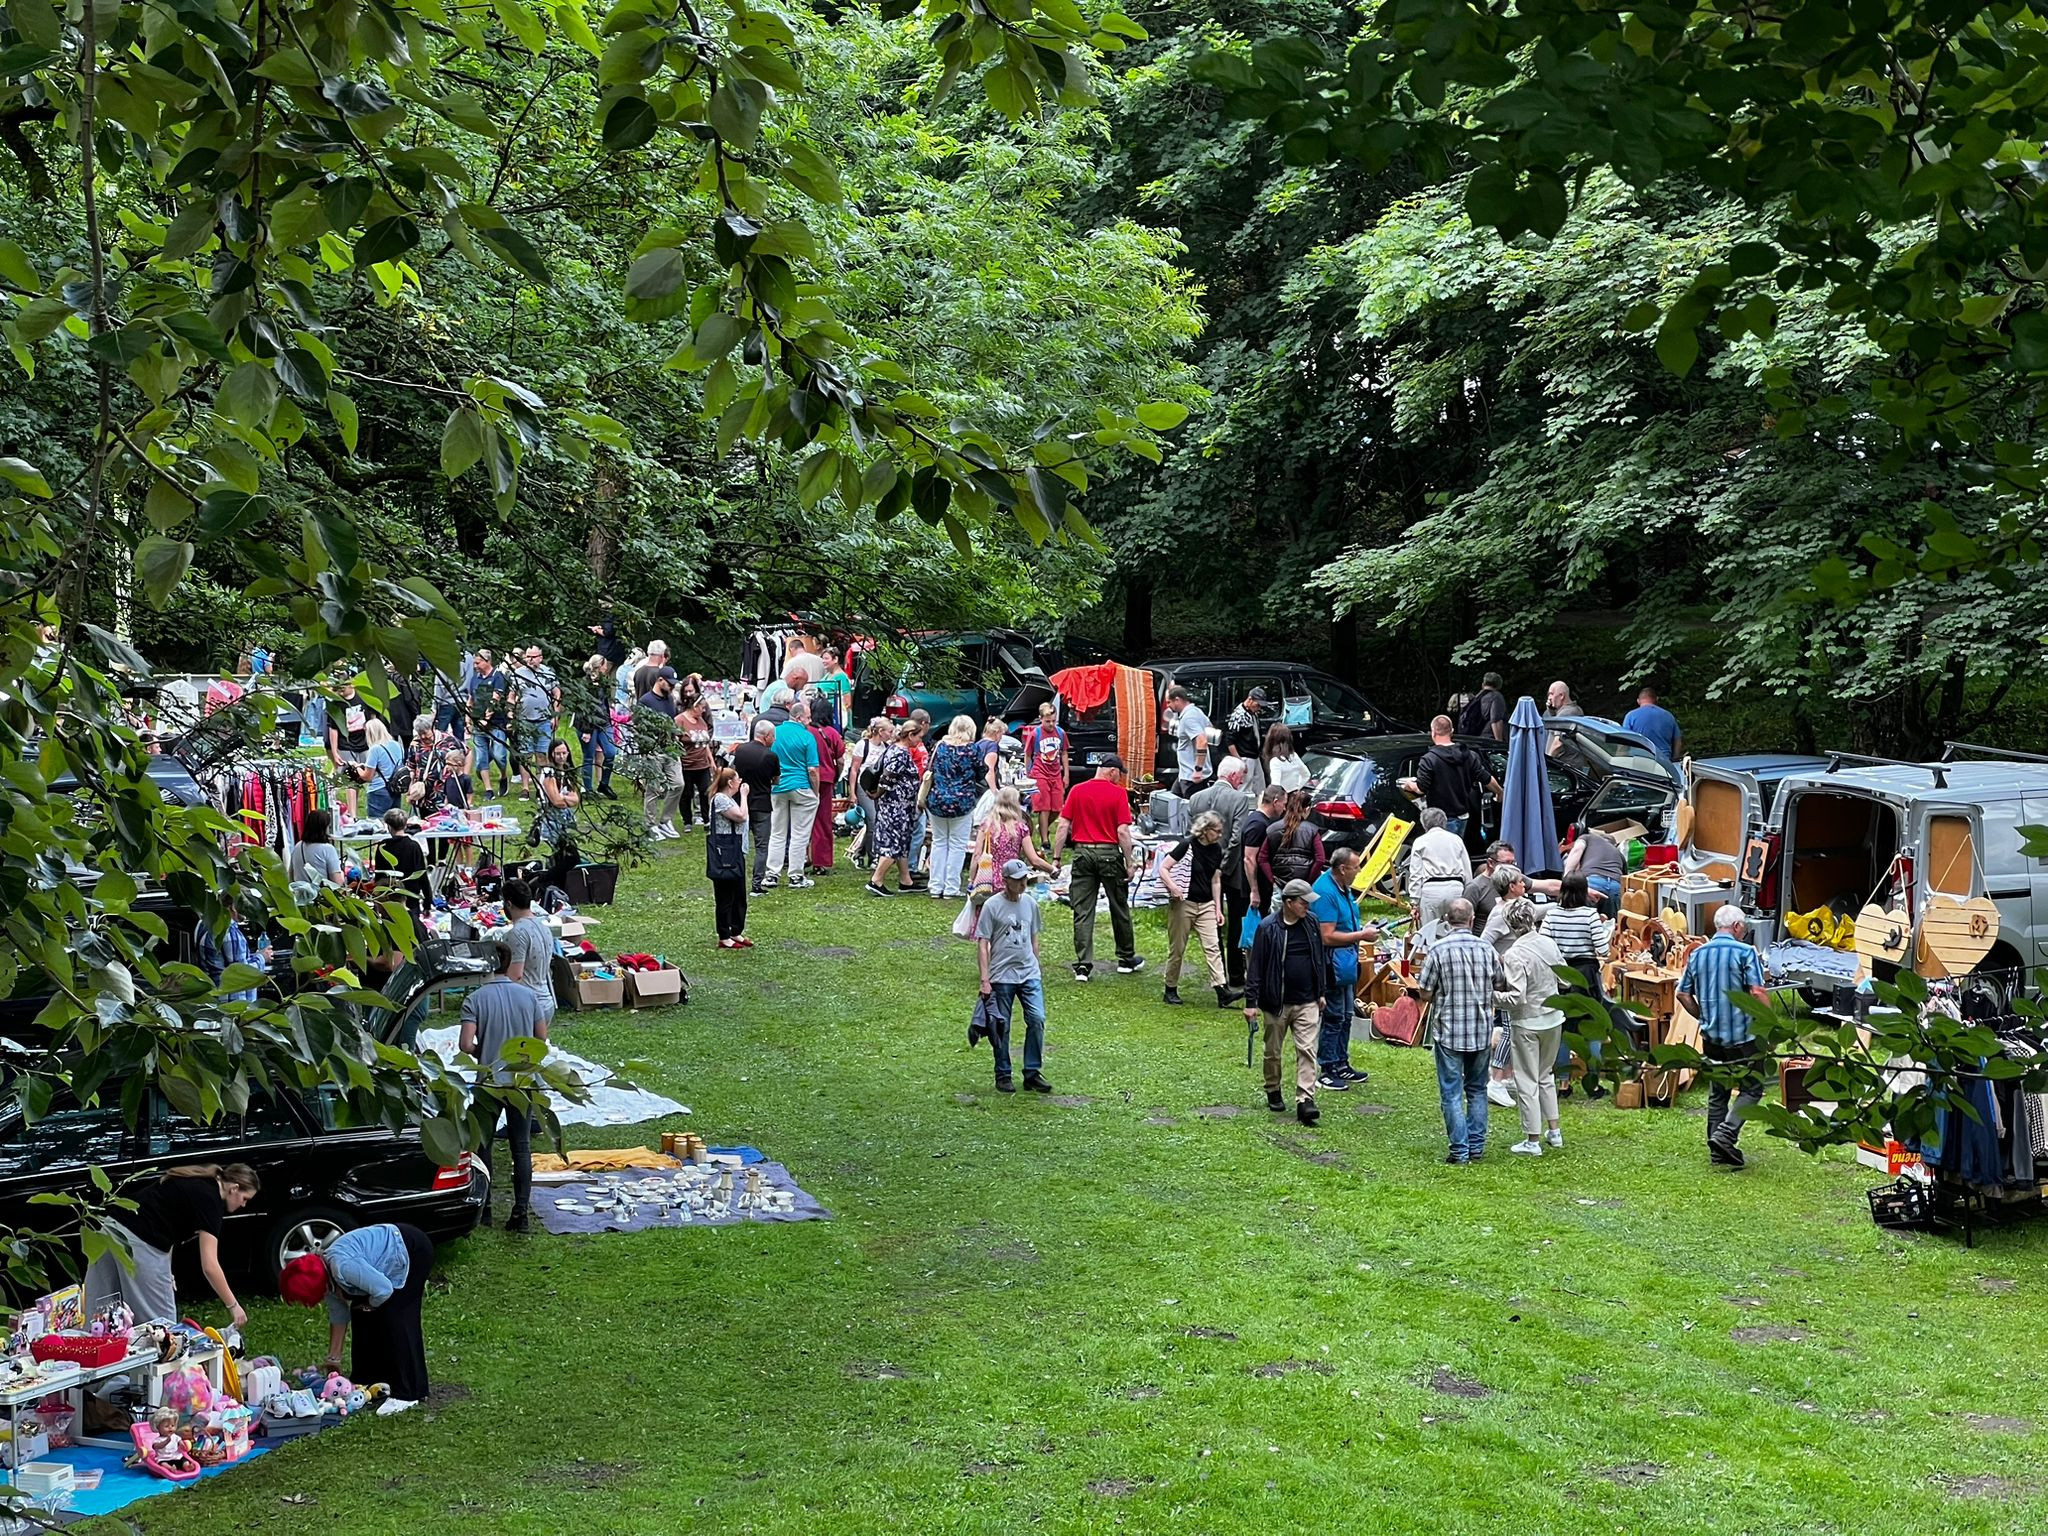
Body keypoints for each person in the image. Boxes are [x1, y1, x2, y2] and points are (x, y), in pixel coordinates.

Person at [279, 1221, 434, 1415]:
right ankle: (368, 1379)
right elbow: (339, 1314)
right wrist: (333, 1357)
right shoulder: (323, 1273)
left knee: (397, 1316)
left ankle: (409, 1393)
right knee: (361, 1312)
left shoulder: (342, 1266)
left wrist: (372, 1304)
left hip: (411, 1250)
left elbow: (383, 1289)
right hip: (386, 1266)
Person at [83, 1163, 259, 1326]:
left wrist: (167, 1271)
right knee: (161, 1325)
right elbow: (210, 1266)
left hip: (109, 1228)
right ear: (234, 1188)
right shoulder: (210, 1200)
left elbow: (167, 1222)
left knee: (100, 1312)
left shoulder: (198, 1180)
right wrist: (233, 1305)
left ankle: (87, 1355)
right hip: (140, 1241)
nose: (244, 1205)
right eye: (245, 1198)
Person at [458, 941, 549, 1231]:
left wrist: (482, 1049)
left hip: (489, 1083)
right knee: (521, 1149)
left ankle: (483, 1208)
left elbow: (465, 1044)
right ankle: (520, 1213)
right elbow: (541, 1040)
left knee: (482, 1145)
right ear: (510, 964)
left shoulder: (475, 999)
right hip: (522, 1083)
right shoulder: (529, 996)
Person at [1412, 898, 1507, 1164]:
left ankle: (1459, 1150)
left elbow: (1425, 991)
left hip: (1449, 1031)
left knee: (1452, 1093)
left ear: (1446, 919)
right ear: (1471, 917)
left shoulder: (1438, 950)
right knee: (1477, 1089)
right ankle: (1475, 1147)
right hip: (1480, 1029)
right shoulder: (1486, 949)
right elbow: (1500, 983)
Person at [1679, 905, 1772, 1168]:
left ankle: (1718, 1150)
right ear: (1738, 927)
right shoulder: (1745, 952)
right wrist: (1770, 1023)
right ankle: (1726, 1134)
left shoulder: (1697, 954)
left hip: (1712, 1038)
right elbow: (1756, 991)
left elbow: (1683, 994)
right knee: (1752, 1088)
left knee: (1718, 1091)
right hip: (1742, 1037)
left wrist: (1703, 1017)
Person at [1050, 756, 1145, 982]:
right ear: (1111, 771)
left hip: (1082, 853)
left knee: (1083, 909)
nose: (1120, 777)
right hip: (1109, 854)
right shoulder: (1118, 794)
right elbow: (1122, 831)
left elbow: (1063, 825)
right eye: (1119, 773)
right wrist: (1129, 862)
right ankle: (1125, 957)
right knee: (1118, 905)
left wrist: (1056, 857)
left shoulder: (1077, 791)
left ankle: (1083, 965)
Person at [1244, 878, 1326, 1126]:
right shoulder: (1268, 928)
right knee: (1273, 1052)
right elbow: (1255, 966)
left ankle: (1305, 1100)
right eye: (1304, 903)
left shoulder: (1311, 923)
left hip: (1307, 1000)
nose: (1308, 908)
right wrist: (1251, 1002)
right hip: (1276, 1003)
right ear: (1289, 903)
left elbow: (1319, 958)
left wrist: (1320, 992)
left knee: (1307, 1050)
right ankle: (1273, 1088)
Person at [1498, 898, 1567, 1157]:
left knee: (1527, 1080)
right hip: (1553, 1017)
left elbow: (1516, 997)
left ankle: (1532, 1140)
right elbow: (1565, 978)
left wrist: (1491, 997)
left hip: (1527, 1021)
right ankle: (1555, 1131)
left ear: (1510, 925)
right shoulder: (1548, 943)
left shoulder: (1515, 953)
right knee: (1545, 1075)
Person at [977, 859, 1052, 1094]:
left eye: (1024, 879)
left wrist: (1037, 968)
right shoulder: (992, 906)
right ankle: (1003, 1073)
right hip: (1002, 975)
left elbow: (1034, 938)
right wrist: (985, 980)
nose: (1023, 883)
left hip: (1028, 973)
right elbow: (982, 943)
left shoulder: (1030, 904)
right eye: (1018, 880)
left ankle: (1032, 1072)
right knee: (1002, 1026)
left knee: (1037, 1019)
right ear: (1005, 880)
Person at [1542, 872, 1615, 1098]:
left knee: (1564, 1028)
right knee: (1592, 1028)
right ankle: (1592, 1082)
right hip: (1586, 977)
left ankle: (1563, 1084)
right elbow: (1603, 950)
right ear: (1584, 891)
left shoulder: (1552, 915)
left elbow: (1543, 943)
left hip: (1561, 976)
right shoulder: (1590, 915)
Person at [1312, 847, 1378, 1092]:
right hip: (1332, 963)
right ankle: (1327, 1068)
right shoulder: (1325, 891)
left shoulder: (1343, 888)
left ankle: (1341, 1062)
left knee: (1347, 1014)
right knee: (1334, 1015)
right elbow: (1326, 936)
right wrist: (1362, 935)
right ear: (1342, 869)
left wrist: (1363, 929)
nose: (1359, 870)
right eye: (1356, 866)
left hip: (1346, 962)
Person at [1161, 812, 1234, 1008]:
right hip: (1184, 903)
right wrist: (1173, 887)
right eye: (1217, 831)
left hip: (1206, 904)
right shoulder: (1187, 845)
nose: (1220, 835)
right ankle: (1170, 988)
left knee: (1213, 946)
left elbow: (1216, 880)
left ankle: (1221, 989)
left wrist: (1218, 909)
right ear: (1205, 830)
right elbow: (1164, 868)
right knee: (1177, 948)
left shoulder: (1217, 850)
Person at [1407, 714, 1501, 839]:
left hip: (1440, 819)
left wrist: (1409, 784)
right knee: (1455, 850)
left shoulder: (1429, 759)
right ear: (1451, 731)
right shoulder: (1468, 755)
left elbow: (1420, 788)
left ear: (1433, 733)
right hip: (1463, 816)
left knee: (1443, 855)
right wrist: (1500, 792)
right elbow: (1486, 778)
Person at [922, 715, 984, 901]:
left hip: (938, 800)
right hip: (962, 802)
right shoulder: (973, 750)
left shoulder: (939, 747)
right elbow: (982, 772)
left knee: (939, 842)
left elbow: (929, 768)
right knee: (957, 844)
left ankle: (935, 886)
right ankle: (951, 887)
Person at [766, 699, 821, 890]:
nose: (810, 720)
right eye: (807, 717)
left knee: (777, 832)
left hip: (778, 786)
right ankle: (796, 876)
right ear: (799, 718)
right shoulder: (807, 737)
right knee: (799, 834)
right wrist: (816, 792)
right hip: (801, 786)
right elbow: (813, 769)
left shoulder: (775, 733)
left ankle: (772, 873)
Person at [863, 720, 922, 896]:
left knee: (901, 843)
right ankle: (876, 880)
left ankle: (906, 880)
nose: (919, 740)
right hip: (896, 806)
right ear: (910, 735)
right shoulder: (900, 753)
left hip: (898, 805)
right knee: (894, 844)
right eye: (918, 736)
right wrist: (878, 793)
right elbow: (888, 777)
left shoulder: (893, 748)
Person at [970, 786, 1055, 905]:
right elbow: (1034, 860)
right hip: (1012, 879)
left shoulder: (986, 825)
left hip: (988, 880)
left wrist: (972, 880)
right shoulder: (1021, 828)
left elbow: (976, 855)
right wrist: (1052, 870)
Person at [631, 671, 683, 841]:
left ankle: (665, 820)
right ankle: (650, 824)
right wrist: (647, 749)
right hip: (653, 750)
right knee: (653, 788)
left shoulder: (670, 699)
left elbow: (672, 721)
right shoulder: (646, 701)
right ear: (660, 680)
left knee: (678, 784)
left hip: (669, 748)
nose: (672, 687)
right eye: (670, 683)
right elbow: (638, 727)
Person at [500, 877, 558, 1028]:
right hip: (546, 1000)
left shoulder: (517, 933)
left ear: (508, 904)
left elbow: (515, 975)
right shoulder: (544, 927)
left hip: (527, 1005)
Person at [708, 765, 753, 948]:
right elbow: (741, 816)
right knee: (725, 895)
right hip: (725, 852)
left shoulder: (728, 799)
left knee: (739, 894)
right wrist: (744, 796)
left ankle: (736, 930)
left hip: (735, 852)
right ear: (730, 782)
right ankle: (724, 934)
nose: (740, 782)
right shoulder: (720, 799)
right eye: (738, 779)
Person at [1408, 806, 1473, 930]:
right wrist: (1467, 890)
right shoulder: (1456, 840)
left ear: (1424, 824)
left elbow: (1416, 873)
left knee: (1429, 933)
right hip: (1455, 888)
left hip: (1431, 890)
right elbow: (1466, 868)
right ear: (1444, 822)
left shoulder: (1420, 841)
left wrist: (1414, 902)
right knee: (1457, 929)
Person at [734, 718, 780, 892]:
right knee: (762, 846)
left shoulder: (741, 750)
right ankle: (756, 884)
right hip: (762, 804)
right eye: (773, 736)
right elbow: (776, 779)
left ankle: (736, 879)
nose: (774, 740)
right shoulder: (771, 756)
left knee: (740, 843)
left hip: (742, 802)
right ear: (767, 736)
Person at [1259, 787, 1327, 895]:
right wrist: (1309, 881)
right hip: (1303, 884)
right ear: (1307, 809)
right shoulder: (1312, 830)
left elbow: (1262, 858)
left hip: (1280, 884)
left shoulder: (1273, 829)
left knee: (1279, 911)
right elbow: (1320, 859)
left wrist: (1273, 881)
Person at [466, 649, 513, 798]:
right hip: (478, 724)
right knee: (480, 760)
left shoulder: (498, 677)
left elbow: (495, 699)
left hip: (496, 723)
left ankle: (504, 776)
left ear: (487, 661)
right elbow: (471, 700)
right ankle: (488, 790)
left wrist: (486, 719)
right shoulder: (475, 679)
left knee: (499, 755)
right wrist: (468, 719)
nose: (475, 666)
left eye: (478, 663)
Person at [1023, 701, 1069, 846]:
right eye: (1048, 721)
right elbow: (1028, 754)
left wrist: (1066, 774)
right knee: (1044, 807)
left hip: (1055, 773)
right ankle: (1045, 840)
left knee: (1057, 808)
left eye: (1053, 721)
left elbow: (1064, 753)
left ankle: (1043, 827)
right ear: (1041, 719)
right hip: (1039, 772)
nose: (1051, 724)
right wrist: (1028, 773)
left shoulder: (1061, 733)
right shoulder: (1035, 734)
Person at [847, 717, 891, 869]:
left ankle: (859, 852)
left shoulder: (886, 747)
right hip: (863, 785)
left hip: (877, 787)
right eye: (889, 731)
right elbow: (854, 769)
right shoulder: (863, 745)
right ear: (880, 732)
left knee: (875, 821)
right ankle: (873, 857)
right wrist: (852, 792)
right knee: (873, 820)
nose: (891, 734)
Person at [806, 705, 845, 876]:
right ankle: (820, 861)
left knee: (804, 820)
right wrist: (836, 775)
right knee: (823, 821)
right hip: (826, 779)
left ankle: (804, 856)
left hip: (806, 778)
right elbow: (841, 759)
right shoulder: (832, 733)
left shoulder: (806, 731)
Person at [575, 656, 618, 800]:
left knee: (611, 752)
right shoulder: (584, 684)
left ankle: (604, 784)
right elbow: (584, 708)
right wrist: (586, 730)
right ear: (600, 666)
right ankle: (588, 790)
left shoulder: (603, 682)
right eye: (606, 665)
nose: (607, 668)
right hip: (587, 725)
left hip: (603, 723)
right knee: (589, 756)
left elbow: (603, 702)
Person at [374, 807, 428, 915]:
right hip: (411, 898)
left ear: (388, 826)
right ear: (405, 825)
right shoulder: (414, 846)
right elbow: (422, 876)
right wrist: (427, 903)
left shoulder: (383, 846)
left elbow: (379, 875)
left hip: (388, 898)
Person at [1563, 822, 1627, 913]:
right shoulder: (1619, 854)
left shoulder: (1587, 838)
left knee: (1582, 920)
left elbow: (1576, 851)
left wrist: (1566, 879)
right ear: (1615, 845)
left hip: (1592, 882)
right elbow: (1626, 879)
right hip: (1615, 887)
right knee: (1610, 924)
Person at [536, 738, 581, 862]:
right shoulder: (548, 773)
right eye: (558, 754)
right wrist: (566, 799)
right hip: (551, 816)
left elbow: (576, 799)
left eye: (564, 753)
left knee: (569, 851)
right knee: (560, 851)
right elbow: (556, 802)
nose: (561, 757)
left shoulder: (568, 772)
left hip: (565, 816)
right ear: (552, 754)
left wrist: (564, 797)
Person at [677, 696, 715, 830]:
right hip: (687, 764)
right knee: (687, 794)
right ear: (694, 706)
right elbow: (674, 742)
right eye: (702, 707)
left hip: (702, 764)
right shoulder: (680, 720)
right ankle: (687, 821)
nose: (704, 710)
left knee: (706, 791)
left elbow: (705, 744)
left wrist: (711, 760)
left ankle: (706, 819)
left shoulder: (702, 721)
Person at [1223, 686, 1270, 790]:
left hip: (1254, 755)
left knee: (1260, 784)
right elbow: (1230, 740)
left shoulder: (1252, 713)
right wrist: (1239, 760)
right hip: (1244, 756)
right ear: (1250, 700)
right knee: (1244, 786)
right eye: (1257, 705)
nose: (1259, 708)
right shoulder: (1238, 715)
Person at [1621, 684, 1683, 764]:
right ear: (1657, 699)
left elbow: (1624, 740)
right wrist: (1675, 760)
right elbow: (1678, 741)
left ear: (1638, 701)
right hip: (1663, 760)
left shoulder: (1630, 716)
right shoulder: (1668, 716)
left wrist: (1622, 761)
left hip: (1638, 759)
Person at [288, 806, 345, 888]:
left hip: (300, 895)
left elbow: (291, 875)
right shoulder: (328, 849)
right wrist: (342, 874)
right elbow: (337, 882)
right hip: (321, 897)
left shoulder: (298, 846)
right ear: (324, 828)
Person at [1261, 722, 1311, 793]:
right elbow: (1306, 774)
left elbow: (1276, 785)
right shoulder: (1294, 756)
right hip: (1293, 796)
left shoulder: (1275, 761)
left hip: (1282, 799)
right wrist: (1297, 788)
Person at [1459, 671, 1510, 742]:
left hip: (1475, 739)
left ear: (1483, 684)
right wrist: (1499, 742)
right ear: (1499, 685)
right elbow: (1496, 720)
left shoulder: (1476, 698)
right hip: (1489, 740)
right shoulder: (1496, 697)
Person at [815, 646, 853, 731]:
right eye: (823, 658)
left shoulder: (841, 677)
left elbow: (847, 703)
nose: (823, 661)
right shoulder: (828, 674)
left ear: (835, 659)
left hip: (836, 719)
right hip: (824, 716)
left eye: (826, 658)